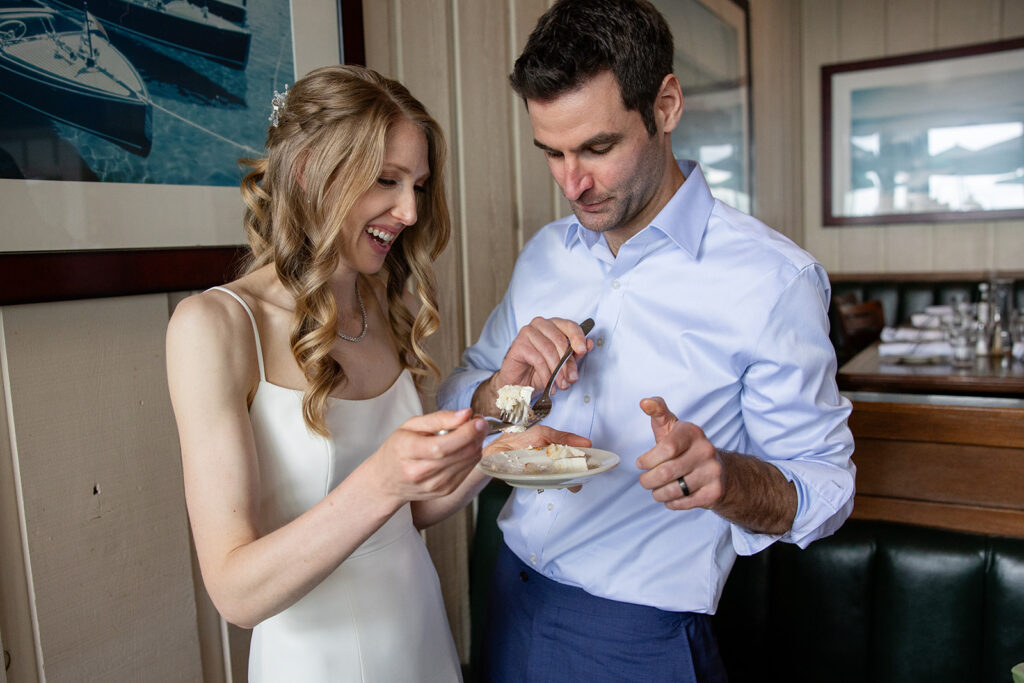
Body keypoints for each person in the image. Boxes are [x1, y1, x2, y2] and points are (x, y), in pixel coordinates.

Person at [437, 1, 857, 681]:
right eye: (552, 152)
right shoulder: (545, 254)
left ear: (664, 106)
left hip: (640, 638)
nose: (572, 182)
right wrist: (510, 394)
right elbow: (463, 398)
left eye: (598, 148)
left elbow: (827, 485)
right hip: (507, 595)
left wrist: (728, 479)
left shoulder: (774, 280)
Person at [166, 64, 588, 682]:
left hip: (419, 634)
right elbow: (235, 592)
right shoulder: (216, 326)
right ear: (311, 172)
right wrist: (381, 482)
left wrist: (509, 426)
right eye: (387, 181)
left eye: (417, 184)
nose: (411, 212)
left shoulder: (383, 308)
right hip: (316, 660)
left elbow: (410, 511)